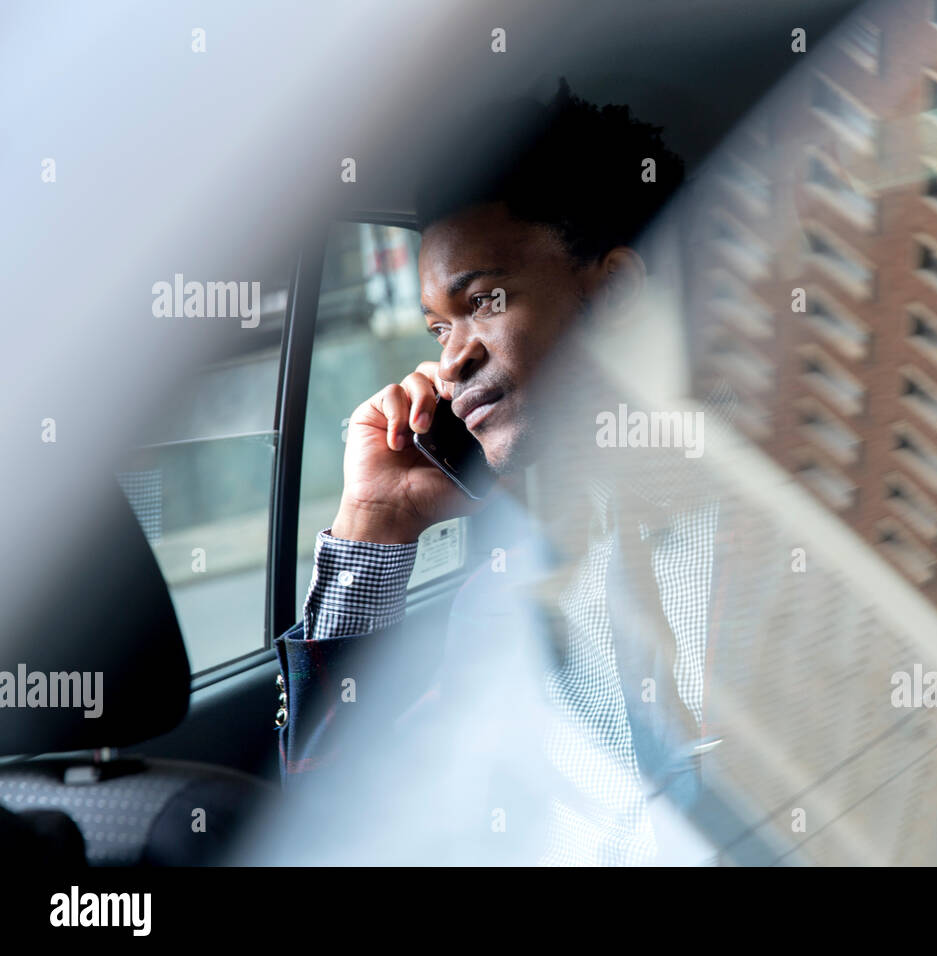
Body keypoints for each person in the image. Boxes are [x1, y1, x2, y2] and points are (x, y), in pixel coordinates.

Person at [271, 81, 735, 864]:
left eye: (485, 300)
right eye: (437, 327)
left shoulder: (791, 523)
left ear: (615, 289)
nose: (451, 359)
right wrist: (375, 523)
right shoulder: (504, 589)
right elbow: (350, 825)